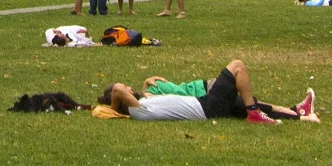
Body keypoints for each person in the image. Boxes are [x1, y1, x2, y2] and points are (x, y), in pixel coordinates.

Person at [100, 58, 319, 124]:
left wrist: (146, 85)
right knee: (237, 66)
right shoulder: (137, 111)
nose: (129, 88)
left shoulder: (144, 105)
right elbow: (119, 88)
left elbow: (130, 91)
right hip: (206, 107)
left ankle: (299, 114)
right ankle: (254, 114)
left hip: (207, 104)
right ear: (120, 100)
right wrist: (115, 109)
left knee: (242, 102)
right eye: (128, 91)